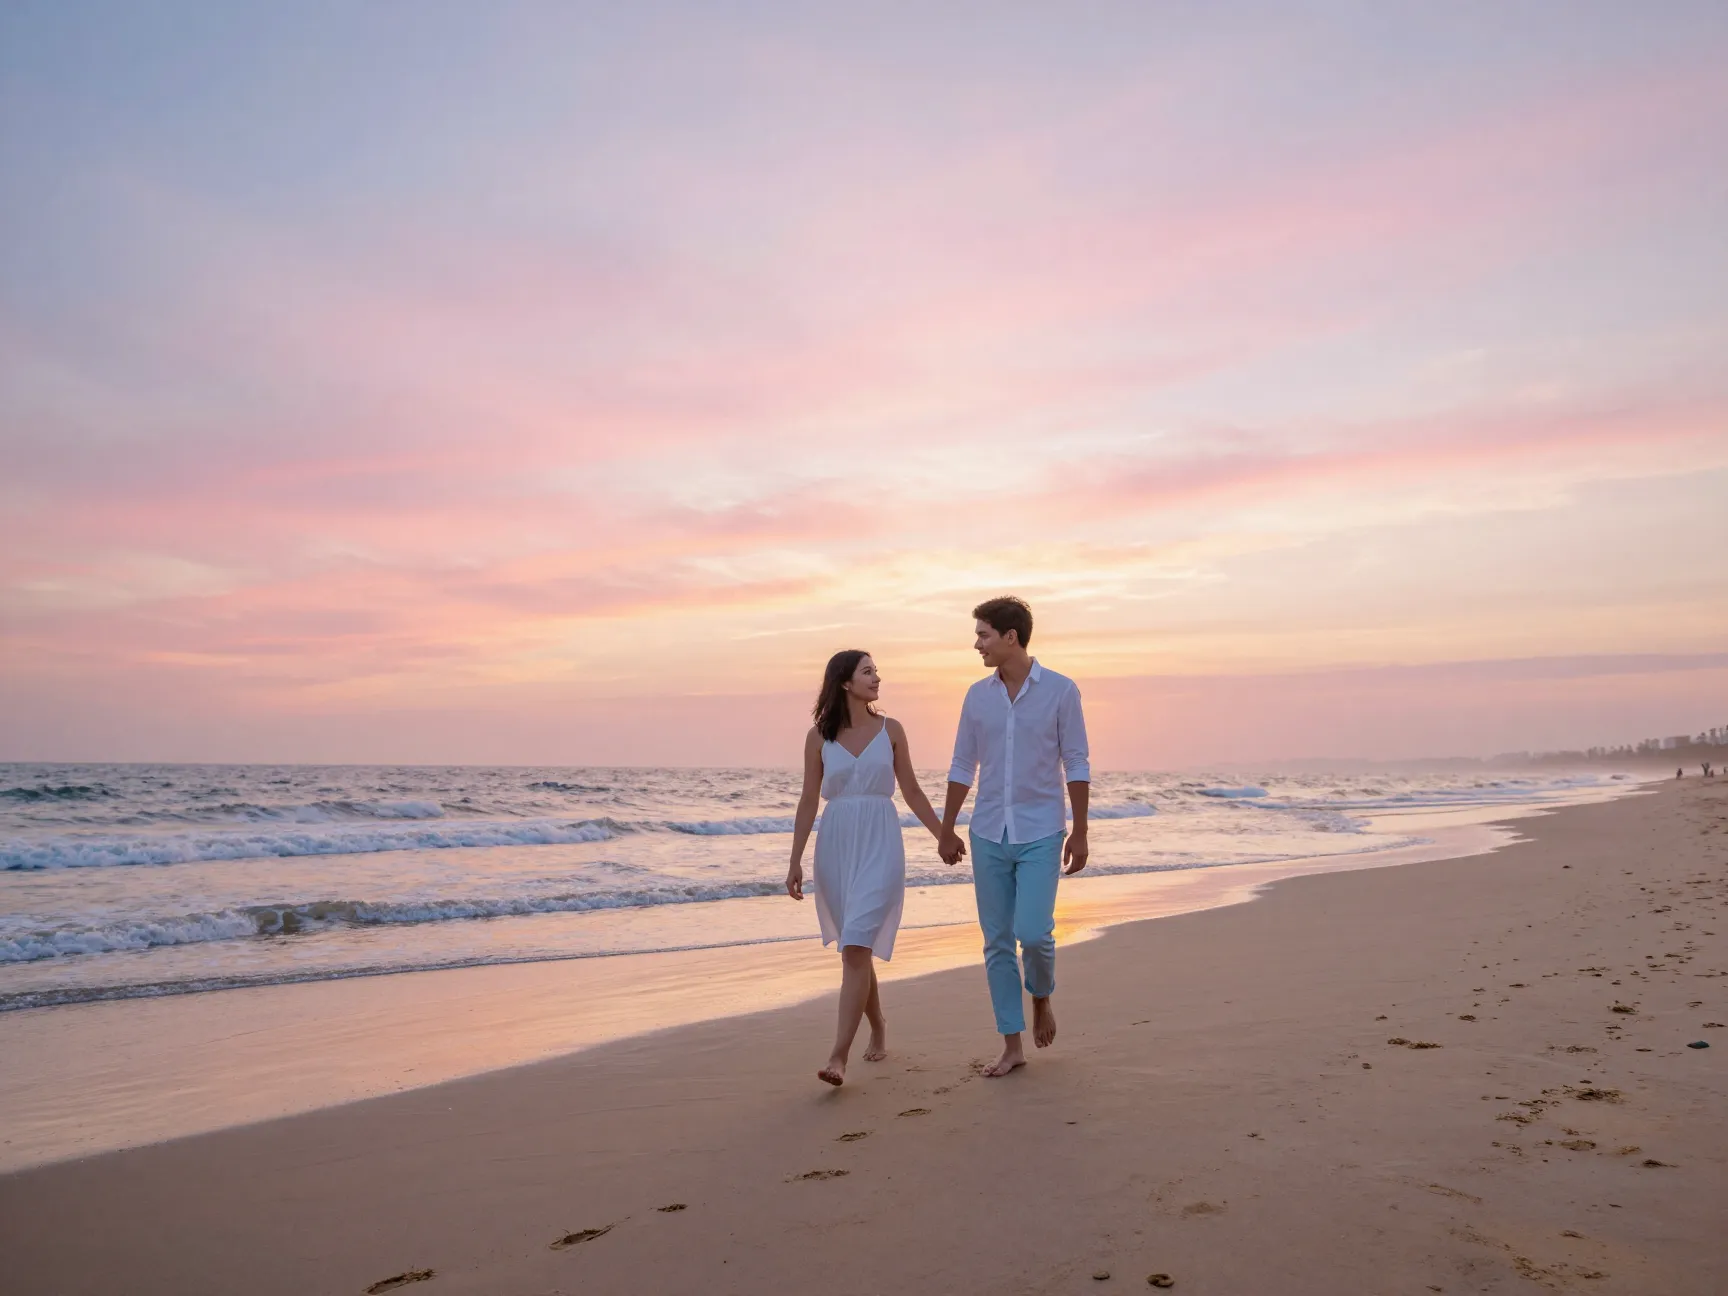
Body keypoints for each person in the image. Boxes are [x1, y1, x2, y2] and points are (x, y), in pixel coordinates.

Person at [938, 596, 1090, 1078]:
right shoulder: (976, 696)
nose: (976, 644)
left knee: (1033, 933)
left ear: (1011, 637)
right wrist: (946, 827)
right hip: (987, 832)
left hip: (1042, 829)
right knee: (997, 941)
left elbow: (1077, 762)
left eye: (983, 635)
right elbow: (963, 764)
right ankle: (1011, 1044)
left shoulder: (1062, 691)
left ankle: (1041, 996)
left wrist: (1081, 831)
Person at [787, 650, 952, 1086]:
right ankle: (877, 1025)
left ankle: (837, 1057)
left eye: (876, 670)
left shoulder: (891, 730)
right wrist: (795, 860)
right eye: (868, 671)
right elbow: (808, 801)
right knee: (855, 946)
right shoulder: (818, 737)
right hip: (836, 845)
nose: (877, 677)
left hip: (880, 841)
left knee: (858, 942)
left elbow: (912, 790)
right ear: (845, 682)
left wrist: (943, 835)